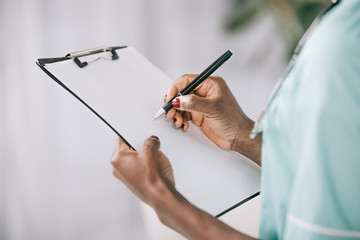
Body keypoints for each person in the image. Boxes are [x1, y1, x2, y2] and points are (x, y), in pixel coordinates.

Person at [110, 0, 360, 239]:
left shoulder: (342, 45)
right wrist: (243, 136)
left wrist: (162, 199)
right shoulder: (345, 25)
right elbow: (340, 173)